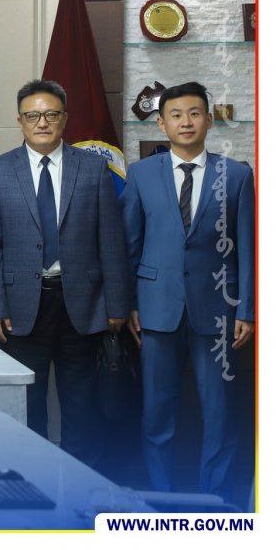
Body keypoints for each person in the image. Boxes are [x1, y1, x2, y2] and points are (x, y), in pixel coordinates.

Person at [0, 79, 129, 464]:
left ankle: (79, 482)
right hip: (19, 307)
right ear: (20, 121)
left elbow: (111, 241)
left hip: (82, 303)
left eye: (50, 114)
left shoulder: (93, 169)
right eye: (32, 116)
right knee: (27, 403)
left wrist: (117, 304)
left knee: (81, 403)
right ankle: (35, 478)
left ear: (64, 118)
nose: (42, 123)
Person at [121, 81, 254, 502]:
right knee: (157, 413)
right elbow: (129, 245)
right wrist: (129, 304)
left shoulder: (236, 175)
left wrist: (246, 311)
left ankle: (216, 500)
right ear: (161, 124)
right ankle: (161, 500)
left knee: (219, 413)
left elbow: (249, 249)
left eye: (195, 113)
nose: (186, 122)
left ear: (209, 121)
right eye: (176, 115)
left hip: (218, 312)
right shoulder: (141, 174)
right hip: (156, 310)